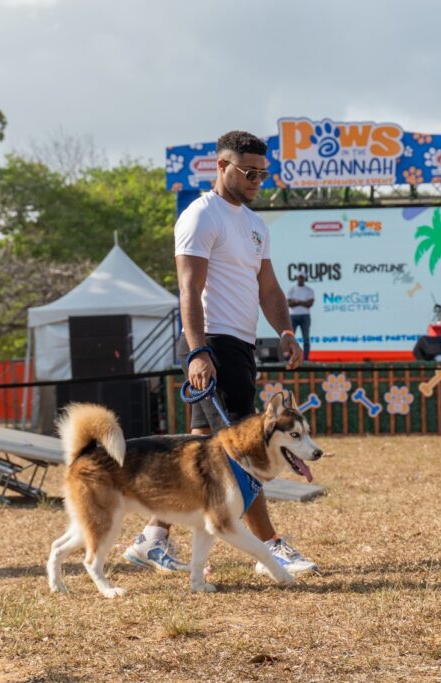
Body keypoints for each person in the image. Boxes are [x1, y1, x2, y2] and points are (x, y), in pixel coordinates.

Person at [122, 130, 316, 579]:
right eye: (249, 172)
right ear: (222, 166)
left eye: (263, 173)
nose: (256, 180)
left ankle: (153, 537)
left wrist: (286, 330)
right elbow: (188, 289)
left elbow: (269, 289)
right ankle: (271, 549)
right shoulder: (201, 216)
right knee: (245, 451)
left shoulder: (255, 225)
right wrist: (198, 351)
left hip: (240, 347)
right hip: (212, 344)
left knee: (199, 451)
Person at [286, 273, 315, 360]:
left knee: (306, 339)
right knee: (291, 338)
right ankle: (290, 358)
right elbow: (289, 304)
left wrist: (296, 301)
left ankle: (305, 359)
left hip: (305, 316)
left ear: (304, 279)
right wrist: (303, 302)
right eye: (299, 277)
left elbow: (309, 304)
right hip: (293, 316)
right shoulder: (291, 290)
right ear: (297, 278)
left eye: (302, 277)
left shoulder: (309, 290)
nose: (300, 279)